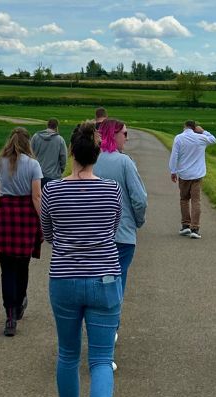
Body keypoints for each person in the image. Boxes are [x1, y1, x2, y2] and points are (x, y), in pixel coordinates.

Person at [41, 121, 122, 397]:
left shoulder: (53, 191)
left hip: (65, 280)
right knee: (102, 359)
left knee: (68, 354)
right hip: (105, 278)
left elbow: (47, 233)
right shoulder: (111, 190)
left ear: (70, 153)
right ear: (98, 154)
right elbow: (115, 225)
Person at [0, 127, 44, 336]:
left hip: (5, 217)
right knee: (22, 267)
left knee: (7, 270)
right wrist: (43, 221)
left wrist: (4, 202)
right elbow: (36, 197)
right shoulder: (33, 165)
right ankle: (20, 301)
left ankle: (10, 316)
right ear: (27, 143)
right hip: (25, 219)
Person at [94, 118, 147, 371]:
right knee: (116, 286)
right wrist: (137, 221)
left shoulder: (91, 160)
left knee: (95, 283)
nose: (127, 136)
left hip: (94, 235)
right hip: (121, 235)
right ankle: (109, 333)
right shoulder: (125, 162)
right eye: (125, 133)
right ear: (114, 135)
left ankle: (100, 331)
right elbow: (139, 198)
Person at [168, 120, 216, 239]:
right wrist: (203, 131)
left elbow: (174, 155)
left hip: (184, 174)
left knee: (184, 199)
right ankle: (195, 228)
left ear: (184, 127)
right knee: (196, 200)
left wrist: (173, 171)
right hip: (197, 174)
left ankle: (185, 226)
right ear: (194, 128)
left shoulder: (179, 138)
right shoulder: (200, 138)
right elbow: (213, 139)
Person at [31, 118, 68, 189]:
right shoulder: (60, 139)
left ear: (47, 125)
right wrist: (61, 170)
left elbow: (29, 154)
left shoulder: (36, 137)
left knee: (37, 198)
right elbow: (64, 158)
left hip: (36, 175)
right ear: (57, 127)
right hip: (53, 176)